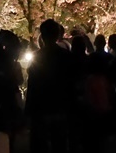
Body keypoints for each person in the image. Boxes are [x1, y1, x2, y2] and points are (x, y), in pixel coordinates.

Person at [25, 19, 74, 153]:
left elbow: (32, 85)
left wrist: (28, 111)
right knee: (60, 145)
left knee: (40, 145)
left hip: (41, 109)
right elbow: (72, 83)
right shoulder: (67, 57)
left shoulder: (37, 57)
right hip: (61, 107)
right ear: (58, 34)